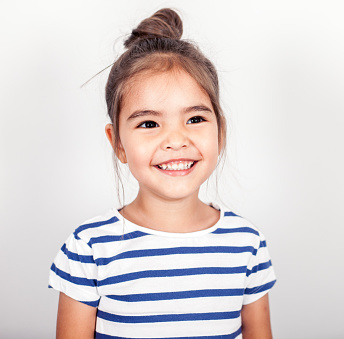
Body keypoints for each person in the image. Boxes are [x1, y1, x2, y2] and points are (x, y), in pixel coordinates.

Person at [48, 8, 276, 339]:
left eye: (195, 119)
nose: (175, 140)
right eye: (149, 123)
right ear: (119, 144)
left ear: (220, 132)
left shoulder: (247, 244)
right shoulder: (90, 249)